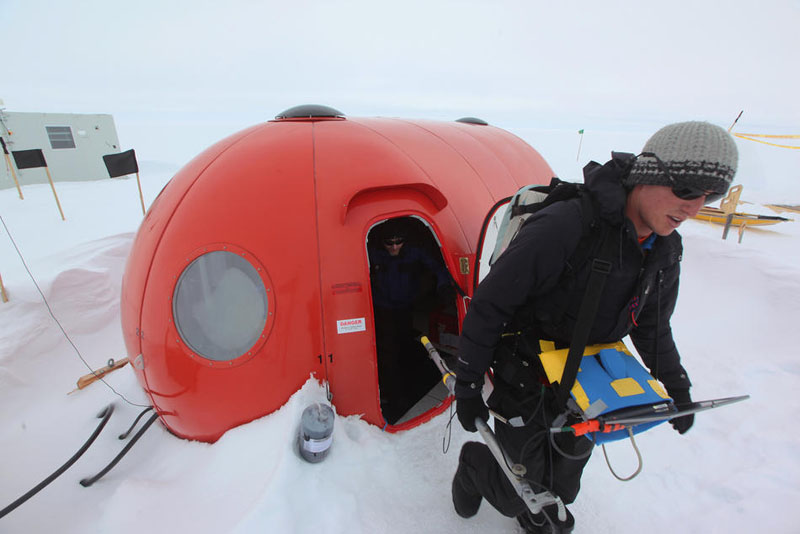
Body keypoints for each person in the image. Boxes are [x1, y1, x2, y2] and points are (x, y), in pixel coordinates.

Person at [451, 121, 738, 533]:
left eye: (711, 195)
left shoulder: (665, 247)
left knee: (565, 480)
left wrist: (676, 386)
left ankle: (539, 518)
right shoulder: (566, 225)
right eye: (687, 189)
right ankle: (474, 468)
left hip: (587, 383)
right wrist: (469, 384)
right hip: (527, 376)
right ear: (648, 174)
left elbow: (652, 323)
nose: (696, 207)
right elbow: (490, 305)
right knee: (516, 485)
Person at [369, 219, 456, 423]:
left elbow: (438, 267)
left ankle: (405, 377)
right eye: (389, 243)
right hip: (383, 307)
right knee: (388, 349)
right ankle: (394, 395)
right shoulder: (374, 254)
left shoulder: (413, 252)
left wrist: (444, 286)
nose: (394, 247)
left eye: (399, 242)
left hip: (405, 305)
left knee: (405, 341)